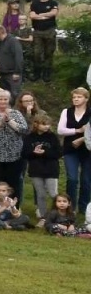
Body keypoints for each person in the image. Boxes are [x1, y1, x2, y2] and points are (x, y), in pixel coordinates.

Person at [0, 88, 28, 203]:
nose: (3, 101)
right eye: (0, 99)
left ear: (9, 100)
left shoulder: (16, 113)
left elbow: (23, 129)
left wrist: (9, 121)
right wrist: (0, 123)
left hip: (14, 155)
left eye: (5, 99)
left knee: (13, 183)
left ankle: (13, 208)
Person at [59, 87, 91, 219]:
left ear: (86, 99)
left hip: (88, 150)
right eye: (74, 97)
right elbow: (61, 130)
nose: (76, 99)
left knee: (86, 180)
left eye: (79, 97)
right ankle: (69, 208)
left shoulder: (90, 112)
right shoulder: (67, 111)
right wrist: (78, 131)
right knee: (72, 179)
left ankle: (83, 209)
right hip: (70, 150)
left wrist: (82, 138)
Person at [23, 113, 61, 224]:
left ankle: (58, 216)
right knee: (41, 194)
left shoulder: (52, 137)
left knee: (53, 193)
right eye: (44, 124)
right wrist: (33, 152)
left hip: (51, 169)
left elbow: (58, 152)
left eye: (48, 124)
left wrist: (45, 152)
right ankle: (43, 217)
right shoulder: (29, 138)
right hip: (36, 170)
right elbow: (24, 154)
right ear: (36, 124)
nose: (47, 126)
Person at [26, 0, 59, 81]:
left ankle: (47, 74)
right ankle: (37, 73)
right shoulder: (35, 3)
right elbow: (32, 16)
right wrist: (45, 16)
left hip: (50, 30)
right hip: (37, 32)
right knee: (36, 53)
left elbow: (53, 13)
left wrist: (39, 16)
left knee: (49, 53)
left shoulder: (53, 3)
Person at [0, 25, 24, 100]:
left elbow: (18, 57)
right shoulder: (1, 43)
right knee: (5, 94)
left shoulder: (13, 41)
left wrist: (17, 72)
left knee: (15, 94)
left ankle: (17, 110)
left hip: (12, 73)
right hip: (3, 74)